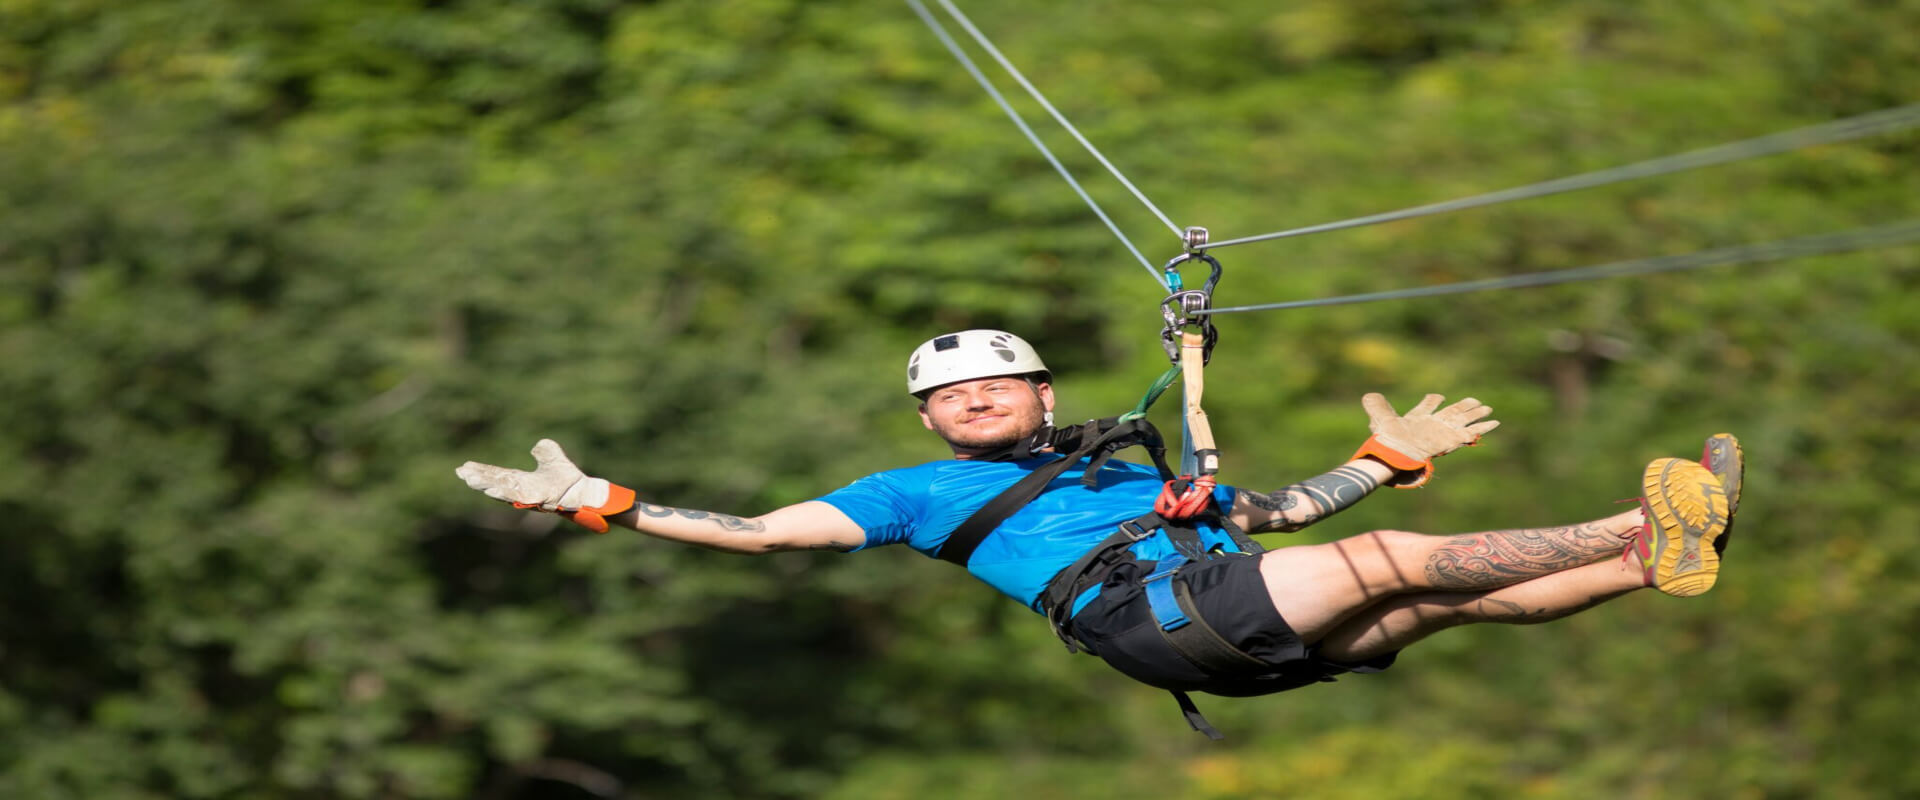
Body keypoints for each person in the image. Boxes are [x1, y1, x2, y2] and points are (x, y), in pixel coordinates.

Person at [455, 329, 1742, 736]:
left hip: (1219, 610)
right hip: (1148, 623)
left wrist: (1376, 462)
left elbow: (1277, 517)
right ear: (923, 415)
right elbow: (756, 533)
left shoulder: (1131, 471)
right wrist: (608, 504)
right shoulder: (908, 491)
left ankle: (1651, 559)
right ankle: (1642, 513)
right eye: (948, 392)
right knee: (1390, 568)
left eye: (995, 384)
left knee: (1431, 602)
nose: (972, 398)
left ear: (1040, 394)